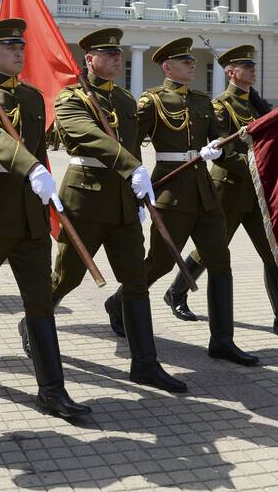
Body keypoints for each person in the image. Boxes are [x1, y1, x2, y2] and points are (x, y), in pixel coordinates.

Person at [0, 19, 91, 419]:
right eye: (10, 48)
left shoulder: (32, 98)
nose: (19, 52)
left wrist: (42, 178)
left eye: (21, 47)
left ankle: (52, 390)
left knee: (39, 303)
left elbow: (40, 148)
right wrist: (32, 169)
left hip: (29, 214)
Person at [46, 28, 187, 393]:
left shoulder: (125, 100)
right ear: (88, 59)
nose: (116, 59)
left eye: (118, 54)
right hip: (86, 200)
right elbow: (89, 137)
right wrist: (132, 168)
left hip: (124, 203)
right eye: (107, 55)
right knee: (67, 278)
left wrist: (139, 192)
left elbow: (134, 149)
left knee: (135, 282)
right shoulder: (71, 98)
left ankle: (145, 363)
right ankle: (35, 324)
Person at [105, 37, 258, 366]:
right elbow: (130, 145)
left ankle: (222, 340)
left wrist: (219, 151)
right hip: (171, 191)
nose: (191, 64)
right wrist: (134, 182)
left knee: (221, 263)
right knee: (159, 263)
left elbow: (222, 145)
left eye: (192, 60)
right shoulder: (152, 101)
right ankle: (118, 301)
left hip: (204, 192)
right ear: (167, 67)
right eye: (184, 61)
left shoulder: (203, 101)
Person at [160, 45, 278, 337]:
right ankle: (176, 292)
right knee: (210, 252)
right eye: (247, 67)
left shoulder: (254, 103)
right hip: (229, 190)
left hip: (255, 192)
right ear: (231, 72)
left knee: (272, 252)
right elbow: (225, 150)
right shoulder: (221, 106)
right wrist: (259, 169)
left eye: (253, 66)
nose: (253, 70)